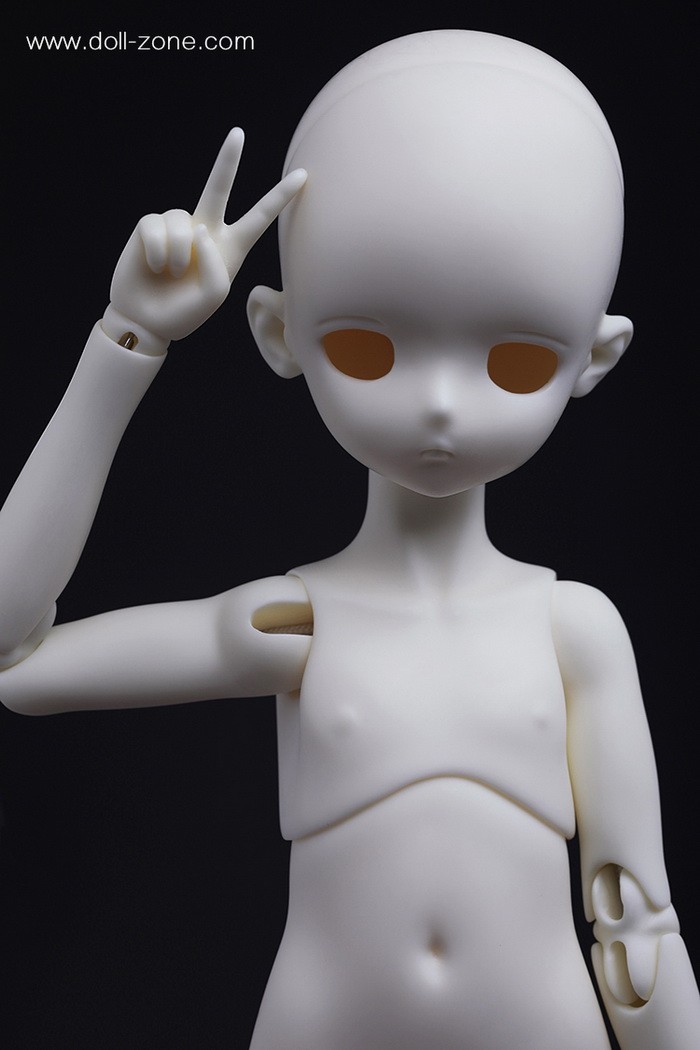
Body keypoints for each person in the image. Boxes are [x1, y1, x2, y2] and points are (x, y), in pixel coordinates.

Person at [1, 30, 698, 1049]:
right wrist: (130, 338)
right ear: (279, 331)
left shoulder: (573, 629)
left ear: (595, 357)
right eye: (368, 348)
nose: (441, 406)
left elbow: (636, 918)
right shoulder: (286, 624)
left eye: (514, 362)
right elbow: (14, 656)